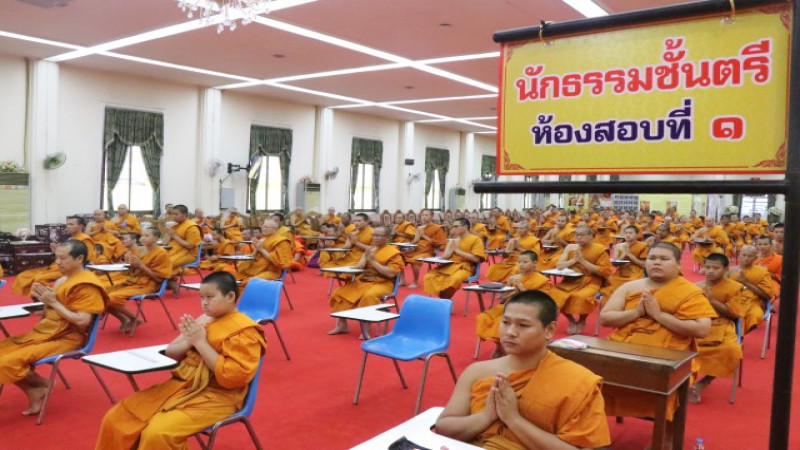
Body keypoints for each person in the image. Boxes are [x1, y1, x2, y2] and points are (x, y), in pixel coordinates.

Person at [94, 271, 267, 449]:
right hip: (181, 387)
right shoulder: (205, 320)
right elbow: (171, 352)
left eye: (210, 297)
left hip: (217, 396)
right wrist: (190, 339)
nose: (204, 303)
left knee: (157, 433)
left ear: (230, 296)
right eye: (201, 297)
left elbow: (233, 378)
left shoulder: (244, 331)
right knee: (117, 418)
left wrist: (199, 342)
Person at [436, 290, 611, 449]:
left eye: (523, 325)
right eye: (505, 322)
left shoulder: (579, 381)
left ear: (549, 330)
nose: (510, 332)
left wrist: (513, 419)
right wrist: (486, 416)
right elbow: (444, 426)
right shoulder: (477, 372)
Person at [599, 242, 716, 424]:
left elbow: (702, 329)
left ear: (678, 265)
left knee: (671, 385)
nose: (656, 263)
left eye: (663, 259)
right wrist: (636, 313)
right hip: (624, 347)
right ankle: (596, 431)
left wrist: (658, 315)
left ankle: (667, 433)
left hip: (669, 354)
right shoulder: (630, 287)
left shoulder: (690, 292)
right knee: (594, 377)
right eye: (652, 258)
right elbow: (605, 318)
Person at [0, 240, 108, 416]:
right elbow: (52, 310)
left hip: (69, 338)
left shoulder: (86, 285)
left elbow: (82, 321)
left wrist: (53, 302)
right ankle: (35, 389)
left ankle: (42, 384)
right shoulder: (62, 280)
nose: (57, 262)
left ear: (79, 258)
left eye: (63, 258)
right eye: (56, 257)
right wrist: (44, 301)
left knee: (6, 362)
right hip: (46, 333)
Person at [476, 251, 566, 358]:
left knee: (501, 322)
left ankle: (505, 349)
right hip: (510, 306)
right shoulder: (515, 276)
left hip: (529, 310)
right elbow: (503, 299)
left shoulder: (542, 280)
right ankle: (500, 345)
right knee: (484, 317)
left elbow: (542, 301)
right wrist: (508, 286)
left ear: (535, 263)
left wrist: (522, 288)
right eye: (519, 262)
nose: (521, 264)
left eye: (525, 262)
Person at [689, 254, 745, 404]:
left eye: (715, 268)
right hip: (699, 322)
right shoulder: (695, 287)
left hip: (723, 324)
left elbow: (734, 313)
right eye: (707, 267)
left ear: (726, 269)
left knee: (730, 350)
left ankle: (703, 383)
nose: (710, 271)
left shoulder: (733, 288)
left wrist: (711, 300)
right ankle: (685, 382)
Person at [328, 226, 404, 337]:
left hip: (383, 283)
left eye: (379, 235)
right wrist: (344, 269)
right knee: (340, 292)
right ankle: (342, 325)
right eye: (374, 235)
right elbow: (360, 266)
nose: (375, 238)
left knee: (368, 296)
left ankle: (366, 329)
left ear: (387, 237)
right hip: (364, 281)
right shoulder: (370, 250)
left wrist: (373, 261)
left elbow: (390, 273)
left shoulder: (393, 252)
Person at [105, 228, 173, 332]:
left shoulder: (161, 253)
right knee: (101, 294)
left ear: (155, 238)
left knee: (112, 298)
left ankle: (134, 319)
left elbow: (159, 279)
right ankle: (124, 319)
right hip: (132, 282)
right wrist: (129, 263)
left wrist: (142, 266)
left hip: (148, 285)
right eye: (142, 236)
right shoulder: (139, 250)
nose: (142, 238)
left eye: (146, 236)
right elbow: (132, 270)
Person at [12, 215, 96, 297]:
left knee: (39, 278)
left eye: (71, 224)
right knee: (24, 275)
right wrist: (56, 251)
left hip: (70, 269)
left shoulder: (85, 239)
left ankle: (50, 299)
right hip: (58, 266)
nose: (68, 227)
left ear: (81, 226)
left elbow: (88, 259)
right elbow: (63, 256)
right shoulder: (70, 239)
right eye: (67, 224)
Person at [554, 225, 612, 335]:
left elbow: (604, 271)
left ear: (592, 237)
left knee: (582, 297)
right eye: (577, 235)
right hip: (570, 280)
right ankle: (571, 320)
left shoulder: (600, 250)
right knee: (555, 295)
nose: (579, 237)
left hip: (590, 281)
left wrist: (582, 261)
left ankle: (582, 320)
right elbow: (559, 265)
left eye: (583, 235)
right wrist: (574, 260)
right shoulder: (570, 247)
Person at [424, 218, 485, 299]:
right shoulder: (453, 241)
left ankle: (445, 300)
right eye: (453, 226)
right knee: (429, 276)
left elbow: (476, 259)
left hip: (465, 267)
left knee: (454, 279)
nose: (454, 229)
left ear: (465, 227)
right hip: (450, 266)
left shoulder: (476, 239)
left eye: (456, 226)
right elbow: (445, 257)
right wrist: (450, 249)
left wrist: (457, 251)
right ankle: (445, 299)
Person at [233, 219, 293, 287]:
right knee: (232, 278)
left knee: (250, 282)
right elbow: (254, 256)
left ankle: (250, 297)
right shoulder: (263, 240)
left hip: (271, 271)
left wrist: (261, 249)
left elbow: (280, 262)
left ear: (274, 229)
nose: (264, 229)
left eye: (266, 227)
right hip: (256, 268)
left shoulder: (281, 241)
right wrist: (256, 248)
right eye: (263, 226)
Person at [732, 244, 776, 331]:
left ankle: (741, 336)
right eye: (744, 255)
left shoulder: (761, 271)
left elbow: (768, 295)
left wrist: (747, 283)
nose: (746, 258)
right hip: (733, 301)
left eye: (750, 256)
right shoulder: (731, 270)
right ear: (739, 255)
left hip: (753, 303)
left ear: (755, 258)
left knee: (755, 315)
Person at [600, 225, 648, 300]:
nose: (628, 235)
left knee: (631, 284)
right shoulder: (618, 246)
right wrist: (623, 254)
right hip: (621, 271)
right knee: (610, 281)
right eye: (626, 233)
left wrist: (629, 255)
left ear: (636, 234)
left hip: (636, 271)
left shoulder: (643, 246)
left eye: (630, 233)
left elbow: (643, 265)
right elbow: (615, 263)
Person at [402, 209, 446, 288]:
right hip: (417, 249)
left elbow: (440, 245)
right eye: (422, 215)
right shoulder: (419, 228)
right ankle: (402, 280)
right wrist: (406, 244)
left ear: (431, 216)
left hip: (429, 251)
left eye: (426, 215)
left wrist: (424, 236)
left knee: (414, 260)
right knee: (399, 256)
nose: (424, 217)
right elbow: (415, 241)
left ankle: (415, 282)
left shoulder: (438, 228)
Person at [164, 205, 203, 293]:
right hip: (174, 251)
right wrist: (167, 234)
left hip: (188, 254)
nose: (173, 217)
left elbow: (190, 246)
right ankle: (170, 282)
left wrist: (174, 235)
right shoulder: (174, 226)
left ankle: (168, 282)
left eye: (176, 214)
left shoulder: (192, 227)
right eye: (172, 214)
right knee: (156, 260)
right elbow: (165, 243)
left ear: (184, 214)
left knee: (166, 263)